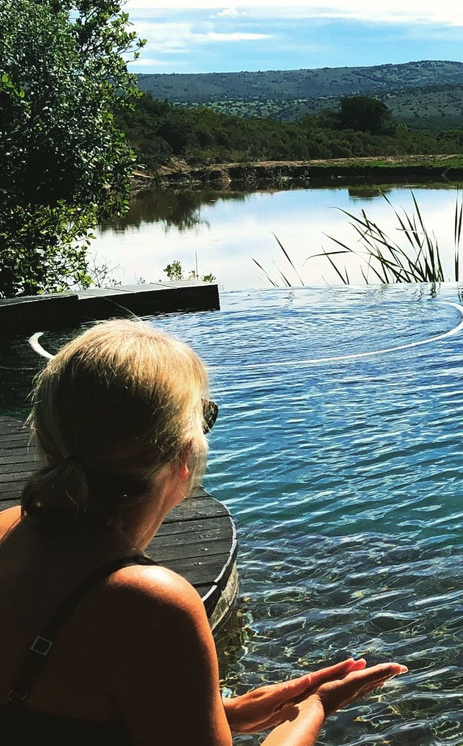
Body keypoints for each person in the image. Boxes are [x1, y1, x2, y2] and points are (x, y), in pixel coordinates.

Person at [0, 319, 406, 744]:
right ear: (183, 454)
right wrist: (312, 709)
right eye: (204, 417)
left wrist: (217, 712)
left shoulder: (9, 530)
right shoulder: (151, 605)